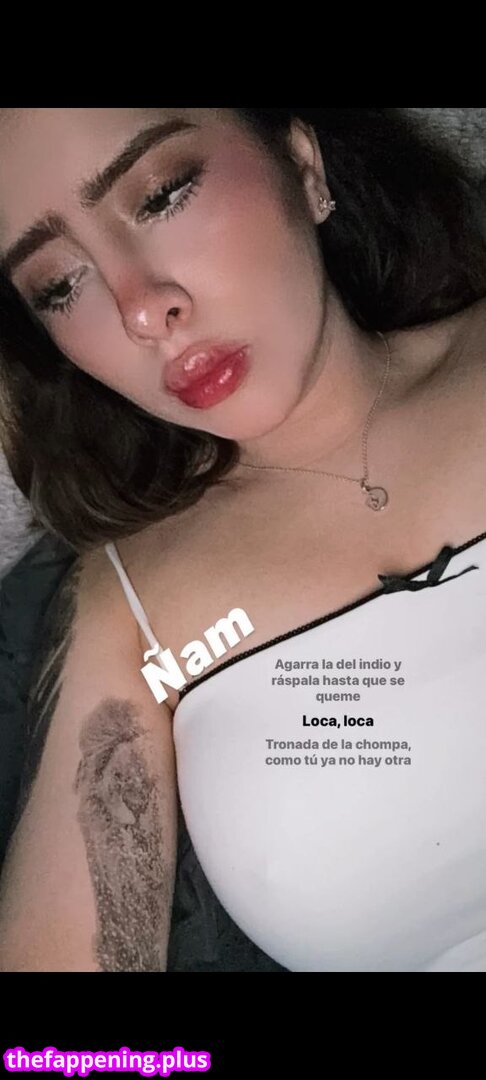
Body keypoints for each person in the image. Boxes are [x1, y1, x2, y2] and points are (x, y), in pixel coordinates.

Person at [0, 107, 485, 972]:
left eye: (162, 195)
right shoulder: (128, 605)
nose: (143, 310)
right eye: (59, 286)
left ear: (303, 165)